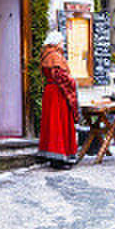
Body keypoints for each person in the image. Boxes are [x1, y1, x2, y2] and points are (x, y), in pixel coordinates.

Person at [37, 31, 78, 169]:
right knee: (58, 124)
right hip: (57, 93)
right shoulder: (55, 56)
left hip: (51, 92)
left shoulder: (47, 54)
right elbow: (60, 76)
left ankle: (55, 156)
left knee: (52, 124)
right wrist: (72, 81)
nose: (63, 44)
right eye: (61, 41)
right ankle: (59, 158)